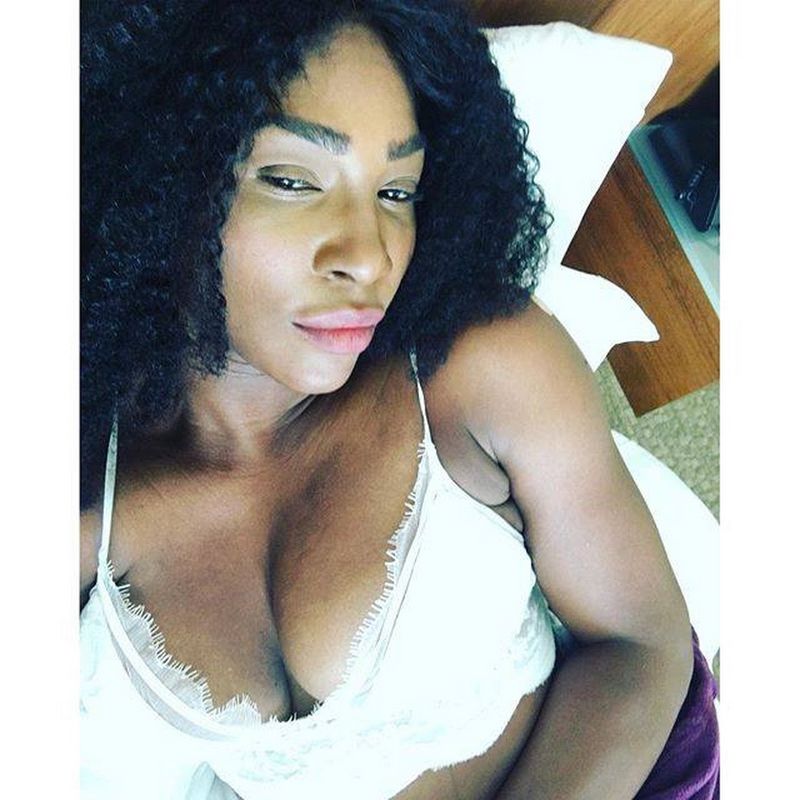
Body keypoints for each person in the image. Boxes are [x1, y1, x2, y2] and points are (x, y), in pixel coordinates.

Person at [80, 1, 717, 798]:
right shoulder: (92, 487)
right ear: (151, 180)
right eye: (291, 181)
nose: (370, 256)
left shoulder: (480, 369)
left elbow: (640, 644)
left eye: (396, 192)